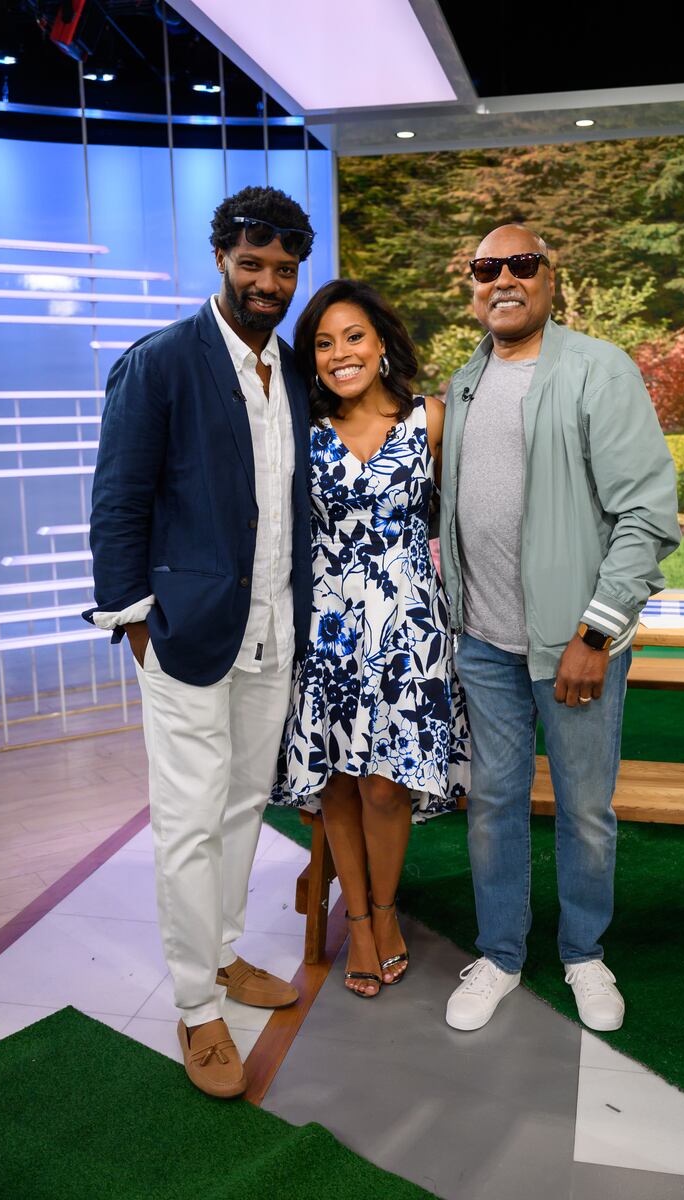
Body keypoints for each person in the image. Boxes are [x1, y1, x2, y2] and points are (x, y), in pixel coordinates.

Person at [84, 186, 315, 1097]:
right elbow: (117, 502)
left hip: (272, 633)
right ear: (221, 257)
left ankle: (221, 955)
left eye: (284, 268)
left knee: (241, 805)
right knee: (185, 822)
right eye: (252, 263)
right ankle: (194, 1006)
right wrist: (133, 621)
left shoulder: (292, 370)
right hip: (181, 636)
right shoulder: (161, 362)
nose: (268, 281)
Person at [440, 224, 680, 1033]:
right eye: (485, 267)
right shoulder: (468, 378)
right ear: (471, 284)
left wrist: (596, 633)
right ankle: (501, 956)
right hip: (483, 642)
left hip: (575, 646)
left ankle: (583, 954)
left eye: (520, 264)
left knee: (583, 808)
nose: (501, 279)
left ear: (549, 277)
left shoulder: (596, 369)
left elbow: (646, 514)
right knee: (493, 802)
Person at [274, 279, 470, 998]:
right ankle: (357, 922)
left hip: (409, 628)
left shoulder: (434, 421)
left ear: (382, 342)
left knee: (385, 788)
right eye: (323, 343)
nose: (339, 353)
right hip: (326, 628)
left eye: (352, 336)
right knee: (337, 787)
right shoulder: (304, 426)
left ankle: (386, 910)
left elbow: (466, 521)